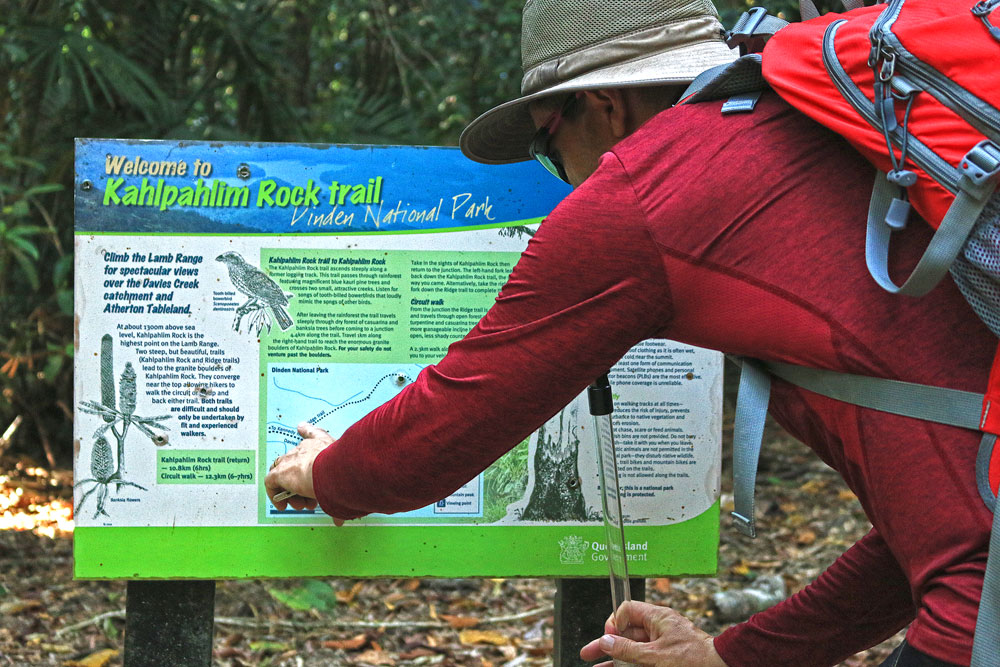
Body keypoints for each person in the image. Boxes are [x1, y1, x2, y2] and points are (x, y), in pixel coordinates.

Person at [264, 0, 995, 665]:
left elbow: (451, 419)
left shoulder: (647, 191)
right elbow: (947, 522)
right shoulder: (825, 141)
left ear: (604, 105)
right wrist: (734, 656)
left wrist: (323, 472)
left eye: (549, 147)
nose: (564, 178)